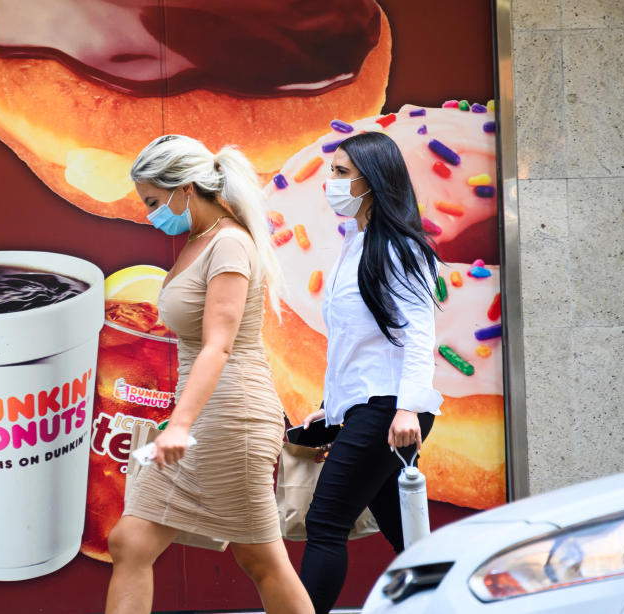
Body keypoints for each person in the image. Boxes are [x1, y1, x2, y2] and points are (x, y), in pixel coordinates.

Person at [105, 134, 315, 614]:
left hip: (232, 417)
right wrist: (180, 420)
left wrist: (181, 423)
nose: (151, 213)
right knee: (130, 542)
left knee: (261, 557)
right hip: (202, 416)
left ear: (185, 188)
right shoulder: (199, 241)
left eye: (154, 201)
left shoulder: (230, 244)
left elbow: (219, 345)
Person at [297, 131, 442, 614]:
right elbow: (355, 345)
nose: (330, 183)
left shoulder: (402, 248)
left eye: (341, 173)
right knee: (409, 538)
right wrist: (331, 409)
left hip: (390, 410)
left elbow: (419, 335)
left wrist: (407, 409)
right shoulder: (355, 245)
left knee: (325, 524)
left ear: (373, 180)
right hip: (370, 407)